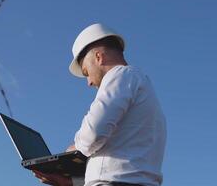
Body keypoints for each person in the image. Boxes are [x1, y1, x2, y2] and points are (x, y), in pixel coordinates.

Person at [33, 23, 167, 186]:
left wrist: (74, 149)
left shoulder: (121, 75)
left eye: (86, 72)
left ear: (98, 57)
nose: (88, 82)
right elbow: (121, 169)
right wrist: (71, 183)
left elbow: (93, 134)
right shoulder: (141, 85)